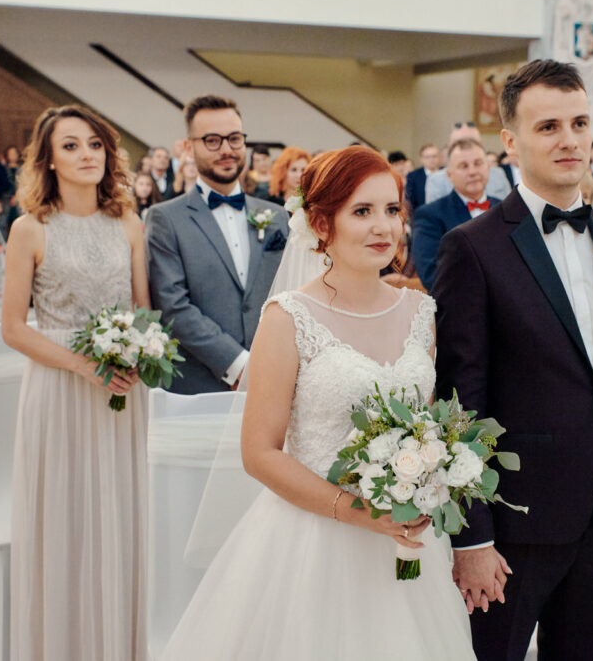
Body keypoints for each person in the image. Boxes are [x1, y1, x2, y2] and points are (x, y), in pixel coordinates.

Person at [159, 146, 474, 660]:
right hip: (312, 543)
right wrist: (359, 512)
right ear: (322, 223)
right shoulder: (288, 317)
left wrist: (427, 481)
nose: (383, 227)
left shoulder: (421, 311)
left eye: (392, 210)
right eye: (362, 211)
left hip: (407, 544)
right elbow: (259, 453)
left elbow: (430, 425)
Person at [435, 59, 593, 661]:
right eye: (548, 127)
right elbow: (460, 403)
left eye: (579, 123)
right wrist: (471, 537)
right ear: (510, 142)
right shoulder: (473, 248)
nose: (569, 140)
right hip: (515, 517)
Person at [0, 105, 150, 660]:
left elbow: (143, 311)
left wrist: (140, 354)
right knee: (64, 516)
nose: (86, 154)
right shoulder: (29, 229)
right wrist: (84, 366)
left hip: (122, 390)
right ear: (48, 160)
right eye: (70, 145)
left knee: (119, 514)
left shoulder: (129, 223)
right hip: (59, 390)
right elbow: (13, 328)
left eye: (94, 143)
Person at [146, 95, 288, 395]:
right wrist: (238, 365)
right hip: (199, 389)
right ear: (189, 147)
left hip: (275, 381)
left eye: (234, 139)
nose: (226, 150)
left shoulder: (277, 216)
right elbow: (173, 306)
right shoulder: (165, 218)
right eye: (212, 140)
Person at [411, 138, 499, 289]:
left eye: (478, 163)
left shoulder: (504, 208)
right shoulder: (429, 216)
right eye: (463, 166)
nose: (472, 172)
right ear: (449, 175)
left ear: (488, 168)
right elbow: (431, 276)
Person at [425, 122, 513, 203]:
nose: (468, 150)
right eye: (461, 145)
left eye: (473, 143)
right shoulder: (436, 181)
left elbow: (508, 208)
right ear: (450, 148)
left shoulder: (498, 174)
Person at [405, 143, 443, 209]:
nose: (431, 160)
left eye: (434, 156)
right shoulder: (413, 176)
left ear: (440, 157)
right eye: (427, 157)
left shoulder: (448, 173)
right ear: (421, 159)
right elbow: (410, 200)